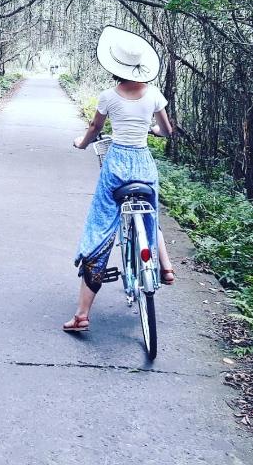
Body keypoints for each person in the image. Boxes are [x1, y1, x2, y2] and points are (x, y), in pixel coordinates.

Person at [63, 26, 176, 332]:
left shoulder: (108, 97)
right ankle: (165, 267)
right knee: (151, 215)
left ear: (116, 67)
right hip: (143, 165)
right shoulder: (154, 95)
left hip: (116, 167)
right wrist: (152, 131)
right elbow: (167, 131)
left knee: (99, 229)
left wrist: (81, 143)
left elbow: (94, 131)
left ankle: (82, 314)